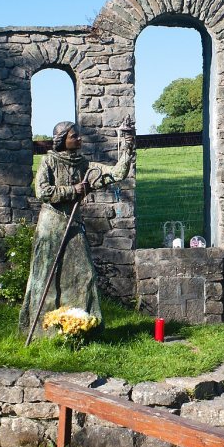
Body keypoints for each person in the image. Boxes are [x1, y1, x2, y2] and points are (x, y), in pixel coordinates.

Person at [17, 120, 134, 339]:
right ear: (62, 140)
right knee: (45, 278)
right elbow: (42, 192)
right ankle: (44, 331)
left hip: (74, 225)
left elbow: (117, 174)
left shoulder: (84, 165)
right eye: (74, 136)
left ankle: (84, 327)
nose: (79, 139)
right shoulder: (49, 161)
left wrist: (128, 145)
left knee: (85, 274)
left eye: (79, 135)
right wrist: (73, 190)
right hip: (51, 226)